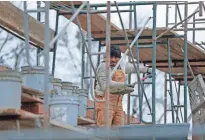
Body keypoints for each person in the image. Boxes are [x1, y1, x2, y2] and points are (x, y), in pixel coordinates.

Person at [94, 45, 152, 126]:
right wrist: (123, 85)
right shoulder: (103, 67)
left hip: (118, 104)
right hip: (104, 102)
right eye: (111, 57)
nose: (113, 60)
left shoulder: (121, 65)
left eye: (116, 57)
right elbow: (105, 85)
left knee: (119, 132)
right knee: (104, 131)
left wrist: (147, 69)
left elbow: (133, 67)